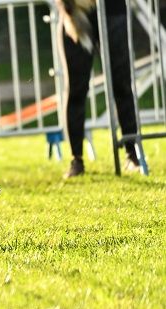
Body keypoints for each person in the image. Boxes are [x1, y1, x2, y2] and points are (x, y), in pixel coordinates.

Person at [59, 0, 140, 178]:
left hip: (113, 10)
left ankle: (132, 153)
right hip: (75, 11)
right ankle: (77, 160)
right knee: (76, 90)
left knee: (122, 85)